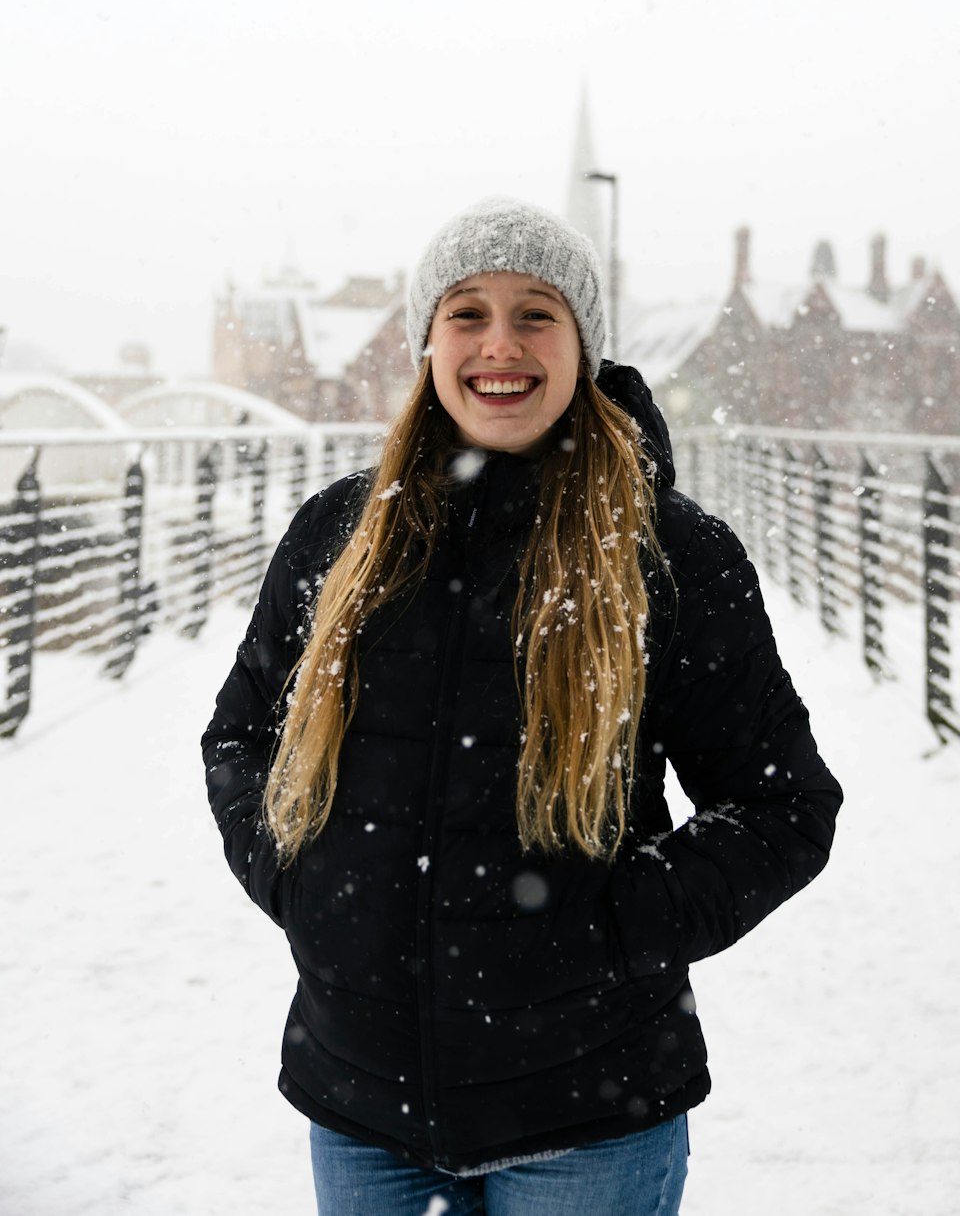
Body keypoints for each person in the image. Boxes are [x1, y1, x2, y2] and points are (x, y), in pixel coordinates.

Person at [202, 198, 842, 1216]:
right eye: (467, 312)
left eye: (536, 313)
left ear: (583, 343)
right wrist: (302, 884)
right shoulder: (337, 535)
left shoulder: (669, 555)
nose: (500, 344)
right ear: (429, 340)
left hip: (588, 1114)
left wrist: (609, 930)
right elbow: (244, 737)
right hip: (362, 1103)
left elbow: (784, 808)